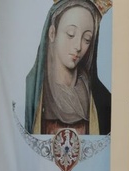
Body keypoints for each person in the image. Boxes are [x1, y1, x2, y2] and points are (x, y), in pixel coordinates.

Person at [25, 0, 111, 136]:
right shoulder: (31, 91)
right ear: (52, 33)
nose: (78, 46)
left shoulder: (102, 101)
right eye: (71, 34)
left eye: (87, 39)